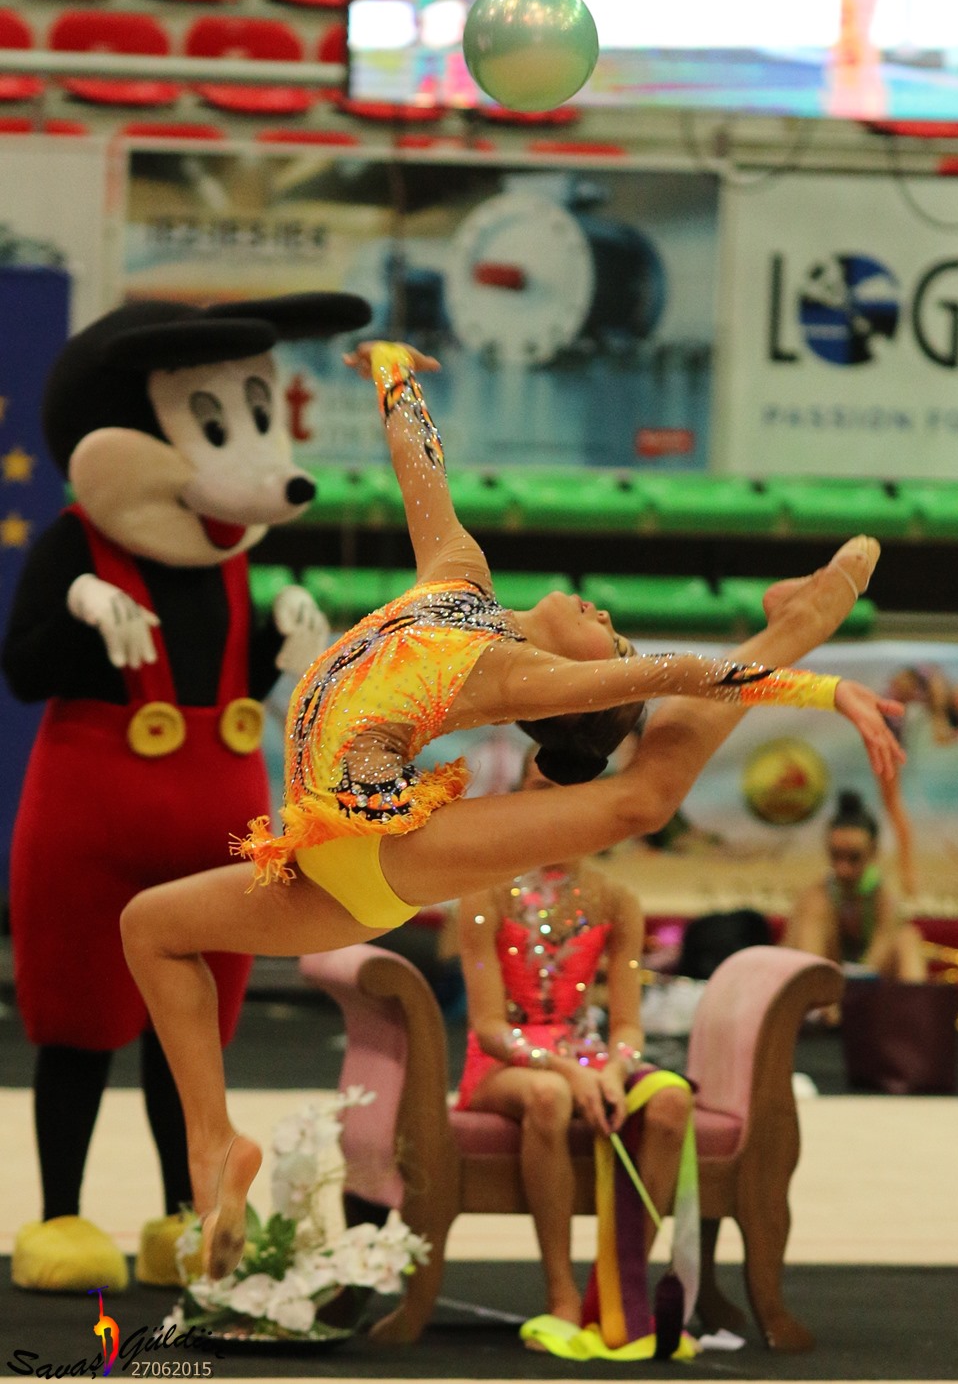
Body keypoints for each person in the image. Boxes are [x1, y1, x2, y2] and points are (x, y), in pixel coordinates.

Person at [120, 341, 904, 1283]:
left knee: (644, 798)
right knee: (149, 927)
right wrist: (392, 372)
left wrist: (826, 691)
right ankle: (213, 1145)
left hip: (391, 842)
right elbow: (422, 470)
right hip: (320, 868)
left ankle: (803, 619)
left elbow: (685, 672)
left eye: (611, 637)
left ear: (578, 688)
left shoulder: (529, 675)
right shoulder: (457, 575)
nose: (603, 615)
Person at [456, 749, 692, 1348]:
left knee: (670, 1102)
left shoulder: (616, 900)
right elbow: (488, 1028)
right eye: (542, 788)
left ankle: (617, 1293)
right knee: (549, 1096)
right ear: (520, 797)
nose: (558, 803)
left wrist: (614, 1069)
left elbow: (628, 1025)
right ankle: (560, 1293)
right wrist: (567, 1068)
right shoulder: (484, 895)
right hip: (506, 1061)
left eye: (571, 790)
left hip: (586, 1054)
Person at [783, 788, 927, 1001]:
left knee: (908, 938)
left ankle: (915, 1011)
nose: (843, 869)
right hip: (819, 994)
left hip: (866, 993)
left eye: (854, 858)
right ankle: (818, 1008)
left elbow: (875, 962)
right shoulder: (815, 899)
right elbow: (806, 961)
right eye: (836, 856)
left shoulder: (883, 900)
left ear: (873, 851)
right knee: (814, 917)